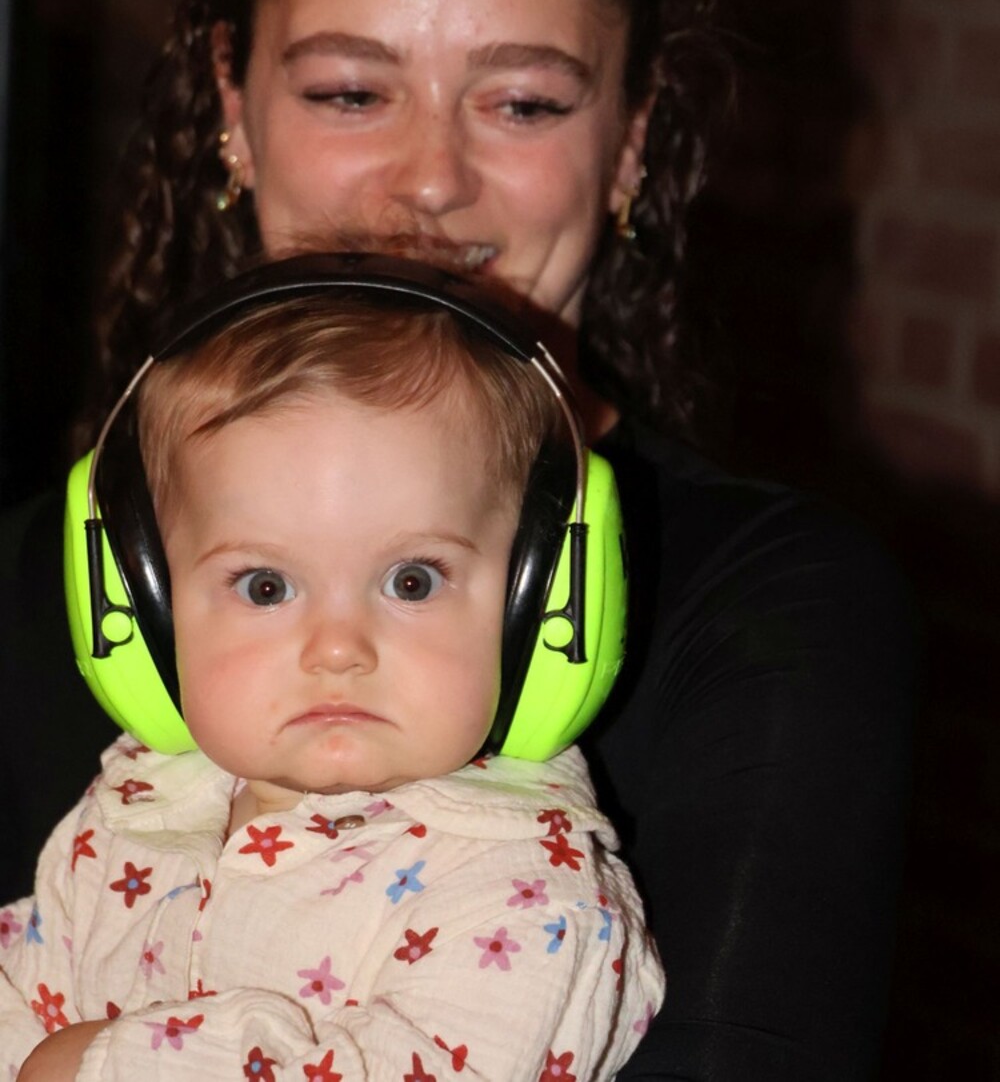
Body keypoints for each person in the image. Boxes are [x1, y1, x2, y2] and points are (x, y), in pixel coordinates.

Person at [1, 0, 914, 1079]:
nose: (430, 179)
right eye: (350, 89)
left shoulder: (776, 614)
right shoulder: (30, 582)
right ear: (233, 107)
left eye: (524, 103)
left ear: (631, 142)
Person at [2, 258, 664, 1081]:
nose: (338, 648)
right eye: (265, 586)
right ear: (143, 608)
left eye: (411, 581)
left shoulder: (529, 896)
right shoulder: (132, 812)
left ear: (548, 599)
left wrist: (96, 1066)